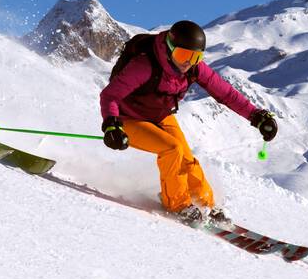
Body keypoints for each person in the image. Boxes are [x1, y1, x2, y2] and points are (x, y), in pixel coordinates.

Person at [99, 20, 278, 224]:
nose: (188, 63)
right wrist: (111, 125)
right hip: (127, 118)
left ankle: (205, 204)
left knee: (186, 157)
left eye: (196, 57)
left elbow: (226, 93)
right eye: (183, 55)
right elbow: (110, 95)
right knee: (172, 149)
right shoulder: (145, 64)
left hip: (160, 115)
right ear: (169, 48)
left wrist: (256, 116)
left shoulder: (194, 68)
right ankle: (177, 204)